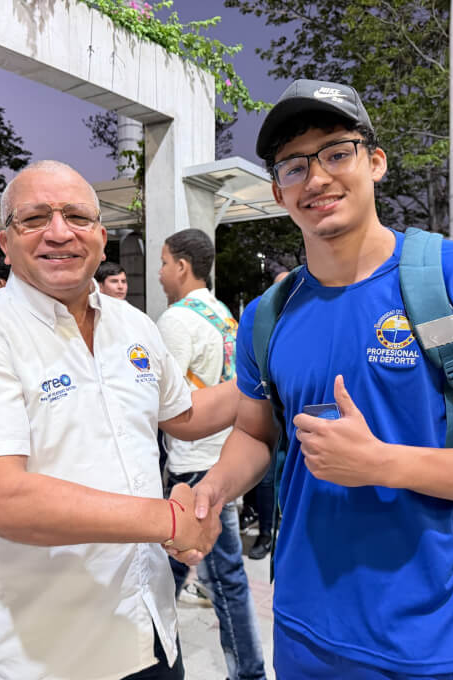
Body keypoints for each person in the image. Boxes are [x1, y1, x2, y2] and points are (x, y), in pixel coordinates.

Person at [190, 79, 453, 678]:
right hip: (299, 624)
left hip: (430, 636)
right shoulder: (269, 312)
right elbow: (257, 434)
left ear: (375, 161)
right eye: (294, 166)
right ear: (277, 190)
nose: (316, 178)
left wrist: (383, 463)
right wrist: (212, 489)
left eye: (336, 152)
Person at [0, 160, 237, 680]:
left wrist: (270, 377)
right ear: (6, 241)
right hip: (50, 653)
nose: (59, 232)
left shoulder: (133, 325)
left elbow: (185, 414)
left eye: (77, 218)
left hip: (149, 629)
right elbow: (2, 500)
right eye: (35, 218)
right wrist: (173, 521)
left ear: (102, 237)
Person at [156, 227, 267, 680]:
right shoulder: (221, 314)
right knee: (171, 570)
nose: (160, 273)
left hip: (194, 465)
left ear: (182, 266)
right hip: (223, 455)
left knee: (221, 578)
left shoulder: (176, 321)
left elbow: (162, 397)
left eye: (163, 263)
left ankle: (250, 672)